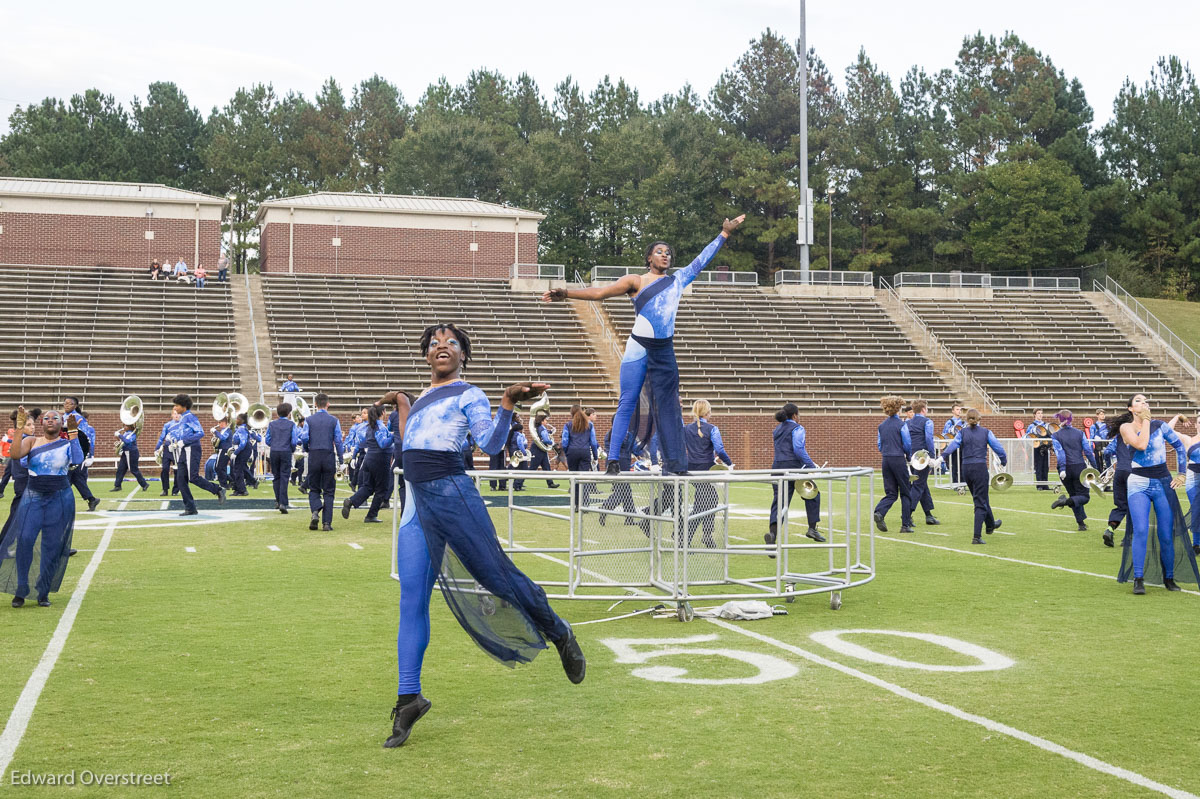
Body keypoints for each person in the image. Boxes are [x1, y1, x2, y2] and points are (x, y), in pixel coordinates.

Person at [385, 323, 584, 748]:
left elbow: (490, 442)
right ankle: (408, 698)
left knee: (496, 576)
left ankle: (558, 630)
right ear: (425, 356)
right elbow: (409, 448)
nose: (442, 347)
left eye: (451, 343)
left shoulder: (469, 394)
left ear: (463, 355)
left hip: (453, 494)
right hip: (417, 505)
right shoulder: (421, 399)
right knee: (411, 600)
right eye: (435, 344)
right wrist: (402, 402)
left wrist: (508, 403)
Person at [543, 215, 746, 475]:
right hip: (639, 347)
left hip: (664, 351)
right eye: (659, 252)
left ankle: (673, 464)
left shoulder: (677, 280)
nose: (665, 256)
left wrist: (724, 234)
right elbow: (600, 292)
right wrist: (566, 293)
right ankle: (614, 460)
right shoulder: (635, 281)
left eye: (668, 253)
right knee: (627, 403)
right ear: (649, 258)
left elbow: (702, 260)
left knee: (669, 407)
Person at [0, 408, 84, 607]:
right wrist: (19, 429)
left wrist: (73, 435)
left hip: (59, 497)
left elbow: (78, 460)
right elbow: (14, 455)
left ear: (61, 423)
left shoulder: (66, 443)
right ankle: (21, 589)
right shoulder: (31, 441)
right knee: (25, 540)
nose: (50, 420)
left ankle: (43, 591)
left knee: (51, 545)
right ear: (41, 423)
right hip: (33, 496)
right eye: (46, 418)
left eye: (55, 418)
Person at [1114, 394, 1197, 594]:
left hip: (1162, 482)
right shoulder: (1126, 428)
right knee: (1141, 530)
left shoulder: (1161, 426)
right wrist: (1147, 420)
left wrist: (1182, 473)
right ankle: (1138, 578)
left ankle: (1169, 577)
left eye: (1146, 401)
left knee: (1166, 534)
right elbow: (1142, 445)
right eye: (1139, 401)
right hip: (1138, 483)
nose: (1144, 404)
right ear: (1131, 409)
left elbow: (1179, 447)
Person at [939, 409, 1006, 545]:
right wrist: (1003, 460)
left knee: (981, 497)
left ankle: (990, 524)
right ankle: (976, 536)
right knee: (980, 502)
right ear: (979, 419)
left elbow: (953, 445)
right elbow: (997, 447)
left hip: (966, 468)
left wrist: (943, 456)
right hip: (979, 467)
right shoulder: (986, 432)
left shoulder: (962, 432)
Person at [766, 402, 825, 549]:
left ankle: (772, 535)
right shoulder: (798, 428)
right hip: (794, 467)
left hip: (777, 467)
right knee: (812, 494)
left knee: (779, 502)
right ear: (794, 415)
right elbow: (798, 449)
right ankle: (812, 528)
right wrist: (812, 466)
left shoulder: (777, 429)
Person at [167, 394, 227, 516]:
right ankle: (190, 507)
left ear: (184, 406)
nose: (175, 407)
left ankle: (218, 490)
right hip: (185, 450)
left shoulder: (190, 417)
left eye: (177, 405)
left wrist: (183, 441)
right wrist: (173, 440)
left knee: (193, 477)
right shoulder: (183, 418)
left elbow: (200, 433)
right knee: (180, 479)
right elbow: (184, 434)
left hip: (192, 449)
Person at [297, 393, 343, 531]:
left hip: (314, 455)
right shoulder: (334, 420)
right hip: (328, 454)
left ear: (315, 404)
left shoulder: (309, 420)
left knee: (314, 487)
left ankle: (316, 510)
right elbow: (339, 441)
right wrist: (341, 459)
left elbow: (304, 438)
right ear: (328, 404)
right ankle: (327, 523)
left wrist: (307, 449)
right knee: (329, 491)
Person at [342, 404, 393, 523]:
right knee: (382, 489)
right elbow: (383, 444)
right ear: (383, 412)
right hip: (380, 460)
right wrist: (394, 436)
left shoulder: (369, 426)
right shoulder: (379, 426)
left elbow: (363, 441)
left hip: (369, 458)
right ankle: (371, 515)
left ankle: (351, 501)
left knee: (368, 487)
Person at [1049, 410, 1098, 531]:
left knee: (1074, 495)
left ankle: (1081, 523)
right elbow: (1087, 451)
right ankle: (1065, 502)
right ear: (1072, 419)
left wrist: (1063, 468)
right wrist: (1095, 466)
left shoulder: (1055, 435)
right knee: (1084, 497)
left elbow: (1060, 454)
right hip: (1079, 467)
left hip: (1064, 469)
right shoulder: (1080, 433)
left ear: (1059, 420)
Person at [873, 396, 913, 533]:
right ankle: (905, 525)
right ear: (898, 409)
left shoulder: (881, 426)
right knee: (906, 492)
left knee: (891, 493)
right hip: (898, 459)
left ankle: (879, 512)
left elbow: (879, 444)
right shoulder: (902, 425)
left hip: (886, 459)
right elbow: (907, 443)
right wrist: (908, 456)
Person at [0, 409, 39, 545]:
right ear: (20, 426)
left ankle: (55, 547)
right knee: (16, 517)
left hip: (28, 483)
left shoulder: (28, 440)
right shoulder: (23, 441)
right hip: (25, 484)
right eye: (28, 425)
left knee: (44, 516)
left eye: (33, 424)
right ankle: (2, 545)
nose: (32, 427)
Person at [62, 397, 100, 512]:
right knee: (77, 479)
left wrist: (88, 455)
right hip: (65, 451)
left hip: (74, 453)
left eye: (70, 403)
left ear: (75, 406)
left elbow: (85, 437)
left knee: (65, 478)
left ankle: (60, 503)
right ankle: (92, 499)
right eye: (65, 403)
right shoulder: (62, 417)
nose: (67, 405)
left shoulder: (79, 418)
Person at [907, 399, 939, 525]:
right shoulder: (927, 422)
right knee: (919, 485)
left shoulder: (908, 422)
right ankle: (907, 514)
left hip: (912, 456)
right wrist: (932, 456)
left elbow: (907, 440)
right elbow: (929, 439)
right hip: (922, 456)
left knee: (922, 484)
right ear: (924, 409)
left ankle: (928, 515)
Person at [1102, 424, 1133, 549]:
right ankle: (1129, 537)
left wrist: (1109, 466)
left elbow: (1107, 452)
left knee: (1121, 505)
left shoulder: (1119, 437)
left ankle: (1110, 529)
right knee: (1134, 506)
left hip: (1119, 472)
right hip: (1133, 472)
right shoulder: (1138, 435)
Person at [561, 406, 599, 504]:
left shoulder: (568, 425)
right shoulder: (589, 425)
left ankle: (576, 504)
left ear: (571, 414)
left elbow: (564, 441)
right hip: (585, 452)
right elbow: (593, 442)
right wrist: (595, 455)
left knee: (574, 479)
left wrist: (567, 452)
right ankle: (585, 503)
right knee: (583, 478)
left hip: (572, 452)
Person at [265, 403, 298, 513]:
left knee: (276, 477)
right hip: (286, 451)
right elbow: (294, 441)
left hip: (274, 451)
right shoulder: (292, 425)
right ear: (289, 413)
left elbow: (267, 440)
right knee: (284, 477)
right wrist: (292, 449)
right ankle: (283, 502)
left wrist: (274, 445)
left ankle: (278, 501)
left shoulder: (272, 424)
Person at [526, 412, 561, 488]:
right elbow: (545, 439)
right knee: (532, 468)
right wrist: (552, 442)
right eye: (545, 420)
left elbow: (545, 434)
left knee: (546, 467)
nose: (547, 422)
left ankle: (550, 483)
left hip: (541, 449)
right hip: (537, 450)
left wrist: (550, 432)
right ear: (542, 421)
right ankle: (518, 483)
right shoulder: (542, 428)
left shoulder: (541, 428)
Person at [111, 422, 149, 491]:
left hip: (132, 453)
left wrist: (119, 435)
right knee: (120, 469)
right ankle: (117, 486)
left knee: (133, 470)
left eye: (126, 426)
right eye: (124, 426)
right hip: (125, 453)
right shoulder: (125, 433)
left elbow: (128, 442)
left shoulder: (133, 434)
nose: (124, 427)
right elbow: (123, 442)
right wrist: (118, 438)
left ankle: (144, 484)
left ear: (130, 427)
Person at [1024, 408, 1052, 490]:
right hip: (1037, 448)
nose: (1040, 415)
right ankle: (1039, 485)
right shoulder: (1031, 426)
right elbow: (1027, 436)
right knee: (1038, 466)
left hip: (1045, 448)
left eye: (1041, 413)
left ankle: (1045, 485)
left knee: (1045, 467)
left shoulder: (1045, 424)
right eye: (1038, 413)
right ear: (1034, 415)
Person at [155, 410, 181, 496]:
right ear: (172, 415)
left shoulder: (183, 425)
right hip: (167, 449)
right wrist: (157, 448)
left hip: (177, 449)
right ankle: (165, 489)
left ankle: (175, 490)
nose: (176, 415)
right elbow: (161, 437)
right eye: (175, 414)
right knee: (165, 469)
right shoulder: (167, 425)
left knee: (177, 470)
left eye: (178, 414)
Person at [941, 403, 965, 483]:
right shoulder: (949, 422)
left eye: (960, 409)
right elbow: (944, 434)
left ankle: (962, 482)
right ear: (953, 411)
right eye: (957, 409)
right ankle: (955, 483)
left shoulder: (963, 422)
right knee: (954, 465)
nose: (959, 411)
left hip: (962, 446)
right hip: (953, 446)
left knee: (962, 465)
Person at [231, 413, 254, 495]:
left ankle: (242, 490)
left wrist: (236, 453)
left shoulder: (241, 429)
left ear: (242, 420)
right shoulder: (241, 428)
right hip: (243, 449)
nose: (236, 420)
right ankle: (238, 489)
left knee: (238, 470)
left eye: (237, 418)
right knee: (237, 469)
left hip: (244, 450)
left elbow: (243, 443)